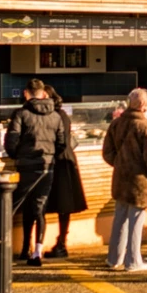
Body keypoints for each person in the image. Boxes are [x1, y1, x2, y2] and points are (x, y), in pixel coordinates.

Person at [3, 78, 69, 267]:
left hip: (25, 167)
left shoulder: (21, 113)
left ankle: (2, 248)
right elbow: (62, 143)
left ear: (26, 93)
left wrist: (18, 155)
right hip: (46, 167)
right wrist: (50, 156)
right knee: (39, 209)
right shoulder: (56, 116)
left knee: (11, 207)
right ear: (42, 93)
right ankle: (36, 253)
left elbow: (11, 140)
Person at [101, 88, 147, 272]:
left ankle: (114, 258)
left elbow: (107, 152)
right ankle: (133, 260)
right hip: (140, 180)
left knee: (120, 218)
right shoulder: (146, 126)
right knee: (136, 219)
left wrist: (120, 163)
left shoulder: (117, 123)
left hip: (121, 178)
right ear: (144, 105)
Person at [42, 86, 87, 260]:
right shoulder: (61, 114)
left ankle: (59, 244)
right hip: (65, 160)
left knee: (61, 204)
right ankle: (60, 243)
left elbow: (58, 140)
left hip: (60, 162)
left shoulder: (56, 115)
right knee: (63, 205)